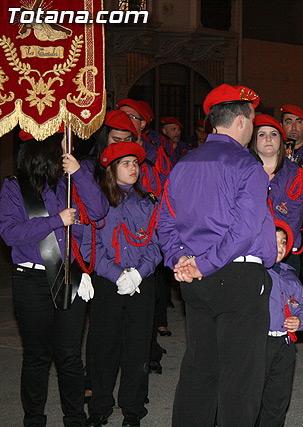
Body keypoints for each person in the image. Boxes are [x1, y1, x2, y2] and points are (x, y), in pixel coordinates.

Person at [157, 84, 277, 426]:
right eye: (252, 120)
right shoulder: (248, 166)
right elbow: (244, 231)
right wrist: (201, 264)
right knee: (240, 380)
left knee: (199, 369)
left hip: (195, 280)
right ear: (241, 121)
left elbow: (165, 220)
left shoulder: (182, 164)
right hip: (236, 277)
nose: (252, 127)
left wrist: (180, 259)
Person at [0, 131, 108, 427]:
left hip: (67, 275)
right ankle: (34, 419)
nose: (68, 151)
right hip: (32, 280)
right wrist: (56, 221)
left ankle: (75, 418)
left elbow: (99, 211)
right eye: (62, 147)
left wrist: (80, 175)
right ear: (45, 150)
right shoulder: (14, 187)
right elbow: (10, 233)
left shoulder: (70, 182)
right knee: (36, 356)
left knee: (70, 356)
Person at [85, 141, 161, 427]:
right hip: (108, 281)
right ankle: (100, 406)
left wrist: (139, 274)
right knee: (104, 347)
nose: (133, 169)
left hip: (141, 282)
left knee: (137, 347)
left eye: (136, 163)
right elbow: (90, 244)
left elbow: (156, 243)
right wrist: (117, 274)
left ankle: (133, 407)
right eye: (125, 163)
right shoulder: (98, 202)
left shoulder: (148, 201)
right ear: (111, 169)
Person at [258, 220, 303, 427]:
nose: (279, 246)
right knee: (253, 394)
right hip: (259, 343)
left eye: (283, 242)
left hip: (285, 345)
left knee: (278, 397)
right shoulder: (255, 273)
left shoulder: (291, 277)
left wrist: (300, 320)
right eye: (274, 241)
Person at [249, 113, 303, 276]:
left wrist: (277, 244)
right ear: (254, 140)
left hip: (286, 249)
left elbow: (295, 216)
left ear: (281, 140)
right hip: (250, 249)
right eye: (262, 135)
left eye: (273, 134)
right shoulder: (243, 172)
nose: (268, 139)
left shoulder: (296, 174)